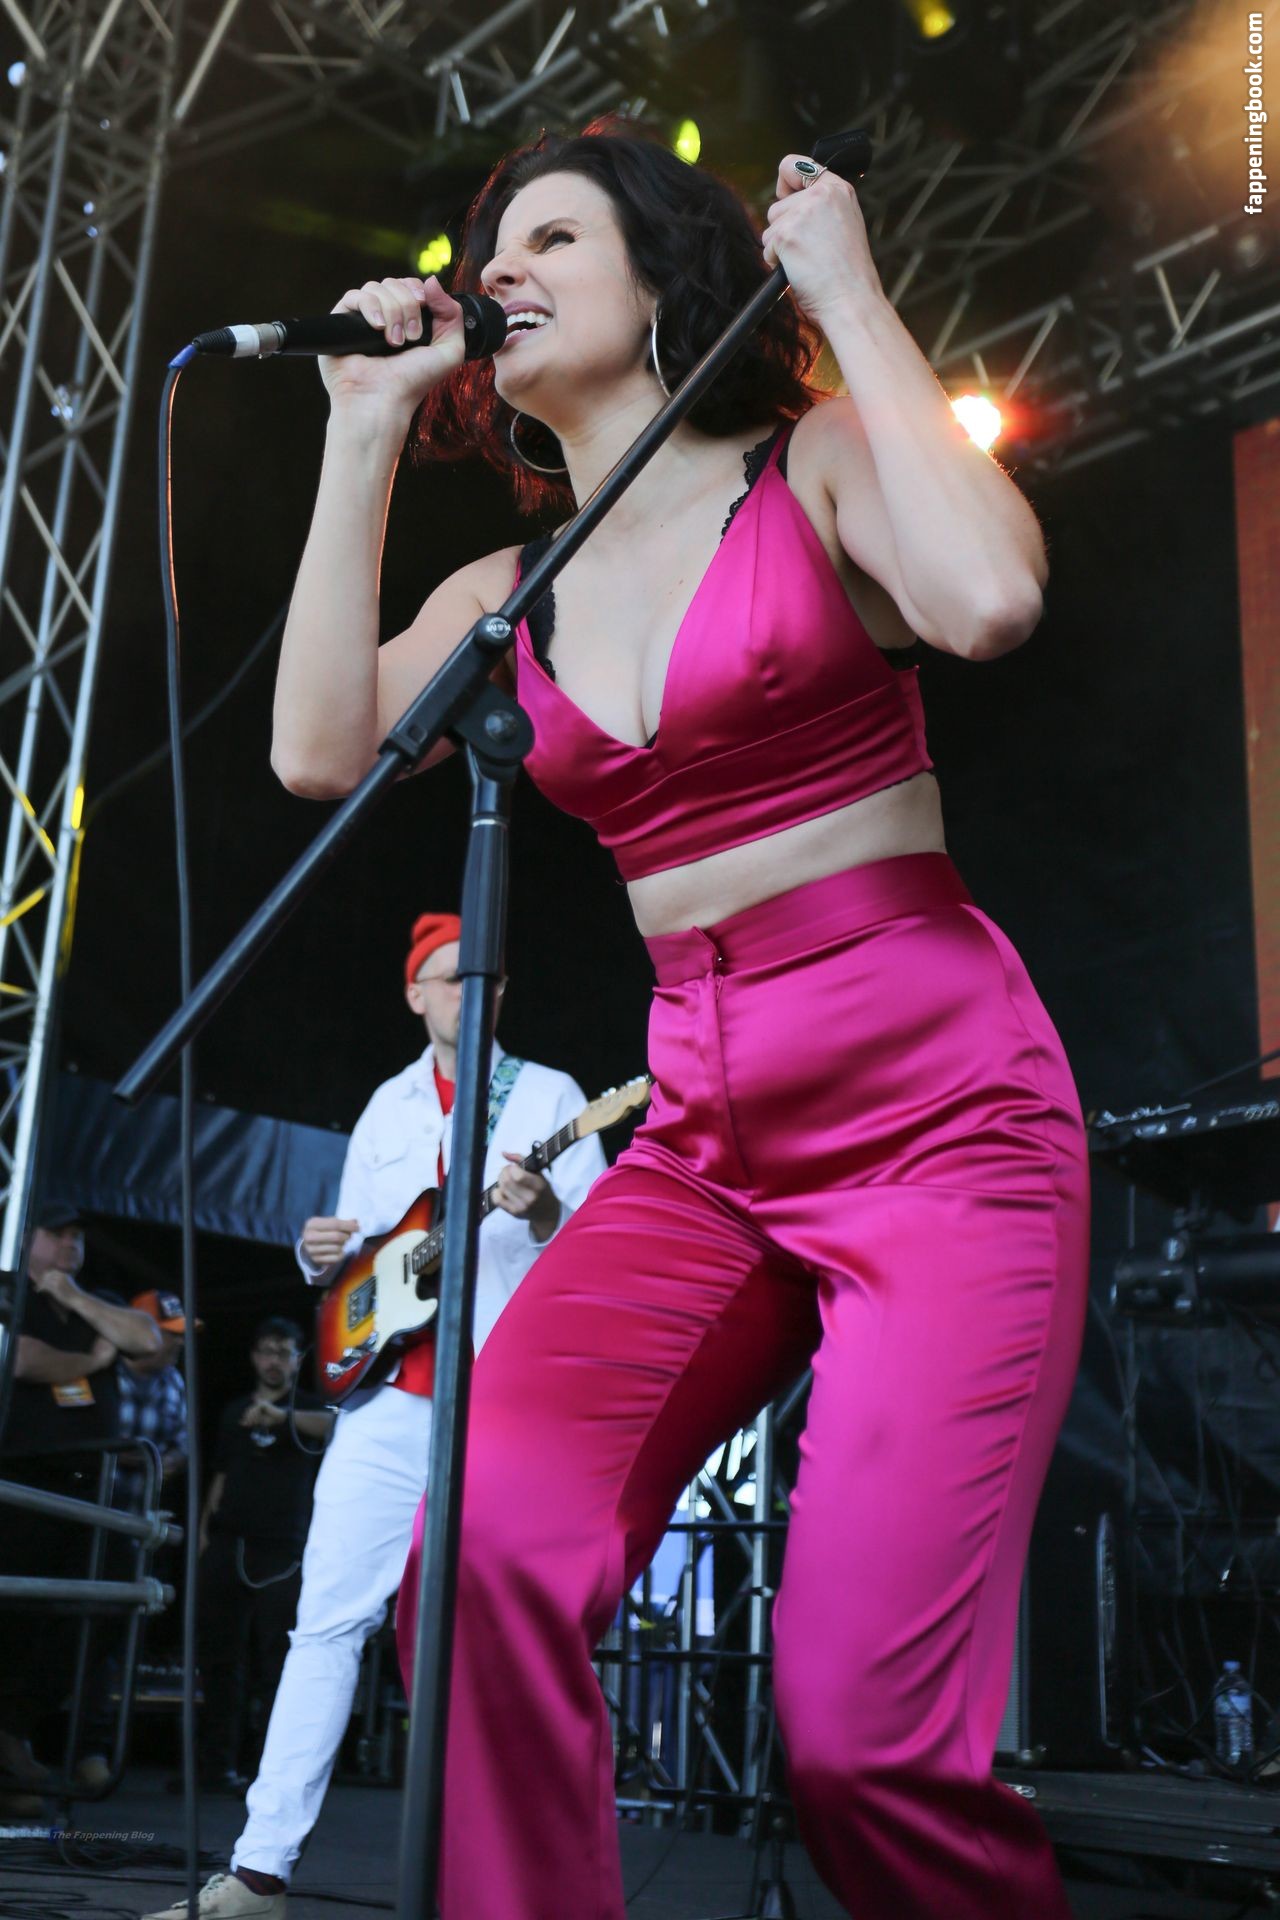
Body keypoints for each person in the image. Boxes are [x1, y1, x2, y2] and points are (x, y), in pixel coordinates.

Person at [166, 121, 1090, 1920]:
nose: (498, 271)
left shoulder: (817, 464)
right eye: (487, 251)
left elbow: (990, 599)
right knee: (477, 1558)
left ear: (666, 275)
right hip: (704, 1137)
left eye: (551, 239)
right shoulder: (507, 596)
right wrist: (362, 429)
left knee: (859, 1742)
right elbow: (314, 750)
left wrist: (852, 295)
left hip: (940, 1113)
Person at [145, 915, 605, 1919]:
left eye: (483, 979)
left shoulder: (550, 1096)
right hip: (388, 1404)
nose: (468, 994)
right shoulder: (385, 1105)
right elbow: (359, 1270)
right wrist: (317, 1254)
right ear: (413, 994)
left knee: (500, 1642)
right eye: (449, 979)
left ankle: (510, 1883)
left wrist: (538, 1210)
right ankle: (259, 1873)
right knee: (324, 1625)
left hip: (505, 1403)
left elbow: (598, 1251)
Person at [0, 1207, 161, 1805]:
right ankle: (11, 1756)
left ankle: (14, 1728)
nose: (70, 1245)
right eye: (57, 1235)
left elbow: (145, 1339)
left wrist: (74, 1296)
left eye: (77, 1237)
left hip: (91, 1487)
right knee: (17, 1611)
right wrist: (92, 1360)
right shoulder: (10, 1291)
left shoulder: (96, 1298)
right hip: (22, 1478)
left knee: (110, 1601)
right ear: (27, 1238)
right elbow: (21, 1359)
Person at [191, 1317, 331, 1795]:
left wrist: (281, 1417)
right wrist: (204, 1535)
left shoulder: (311, 1406)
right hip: (229, 1541)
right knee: (219, 1659)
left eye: (284, 1352)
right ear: (254, 1357)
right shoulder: (234, 1411)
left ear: (298, 1358)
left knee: (278, 1662)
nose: (274, 1361)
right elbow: (221, 1474)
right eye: (267, 1351)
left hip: (282, 1549)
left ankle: (269, 1774)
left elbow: (335, 1428)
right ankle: (215, 1766)